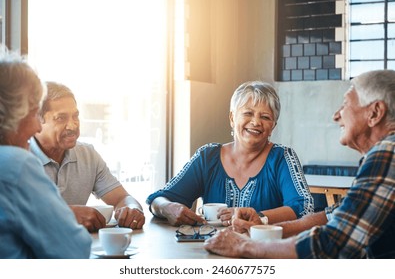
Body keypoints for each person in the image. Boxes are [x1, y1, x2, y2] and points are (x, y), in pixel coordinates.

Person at [204, 69, 395, 259]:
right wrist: (262, 227)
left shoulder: (388, 153)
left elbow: (333, 243)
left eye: (345, 104)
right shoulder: (384, 154)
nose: (336, 116)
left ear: (375, 113)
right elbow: (332, 215)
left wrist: (246, 247)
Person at [147, 81, 314, 226]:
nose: (256, 122)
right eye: (248, 113)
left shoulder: (283, 157)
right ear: (232, 118)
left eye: (265, 117)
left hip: (262, 253)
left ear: (273, 126)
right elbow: (158, 199)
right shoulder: (207, 156)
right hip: (210, 251)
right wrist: (168, 208)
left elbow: (304, 207)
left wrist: (260, 217)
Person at [0, 45, 91, 258]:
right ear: (14, 115)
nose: (37, 128)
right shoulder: (16, 164)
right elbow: (73, 250)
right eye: (33, 114)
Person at [30, 81, 145, 232]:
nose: (72, 126)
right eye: (61, 118)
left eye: (75, 116)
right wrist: (67, 214)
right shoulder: (18, 157)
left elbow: (121, 198)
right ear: (37, 121)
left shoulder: (87, 155)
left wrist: (132, 209)